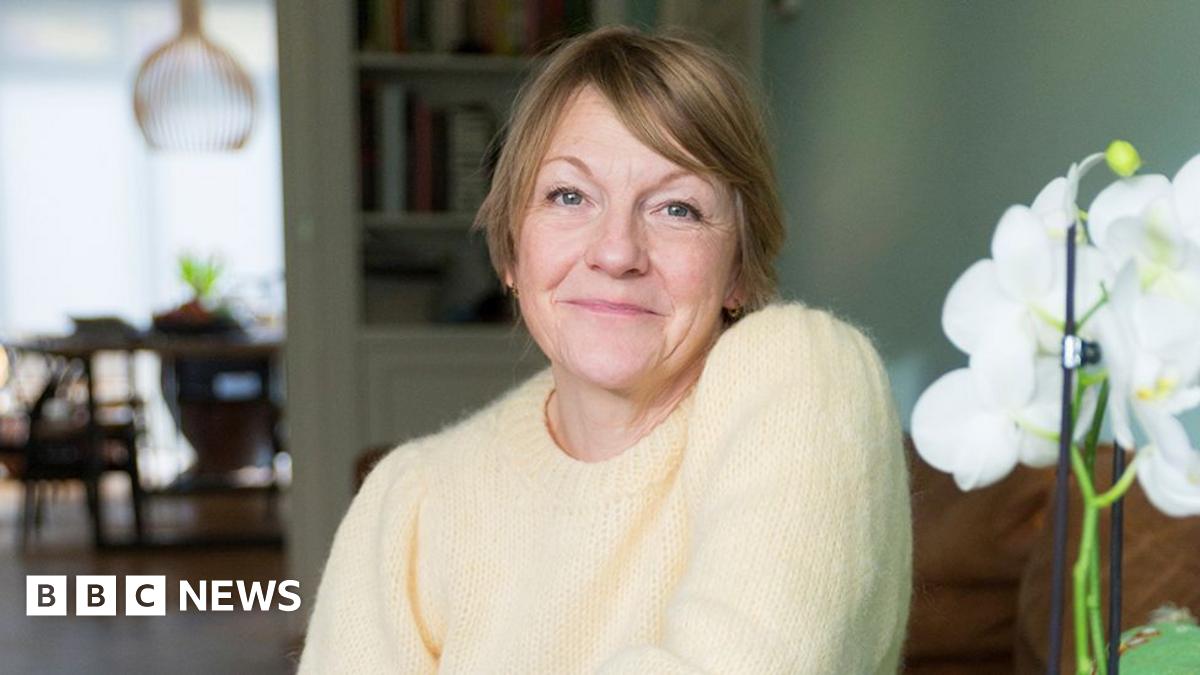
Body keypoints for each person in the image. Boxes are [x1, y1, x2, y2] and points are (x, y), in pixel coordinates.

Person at [298, 25, 912, 674]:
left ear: (738, 267)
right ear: (512, 252)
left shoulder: (806, 374)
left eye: (677, 208)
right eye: (569, 196)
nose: (617, 252)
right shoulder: (411, 503)